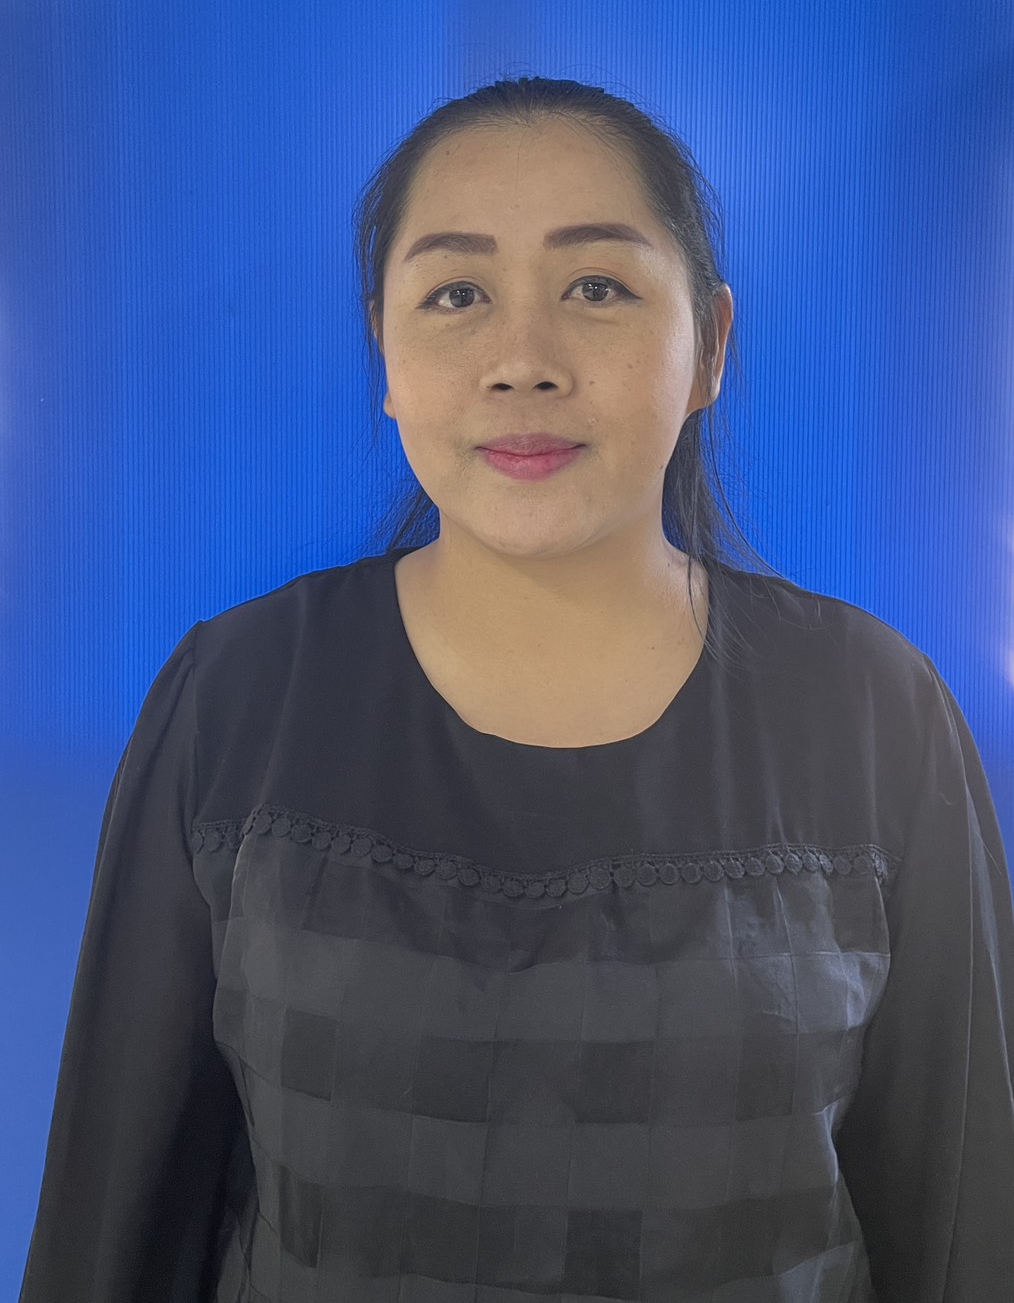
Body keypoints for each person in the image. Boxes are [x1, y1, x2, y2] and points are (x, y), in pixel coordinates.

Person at [19, 76, 1014, 1301]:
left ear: (710, 344)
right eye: (457, 293)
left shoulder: (871, 713)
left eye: (597, 287)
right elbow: (116, 1219)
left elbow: (967, 1221)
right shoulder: (235, 700)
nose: (523, 362)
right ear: (385, 352)